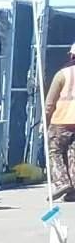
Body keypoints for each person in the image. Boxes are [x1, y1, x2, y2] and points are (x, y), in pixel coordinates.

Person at [49, 52, 75, 194]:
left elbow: (50, 102)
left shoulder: (62, 74)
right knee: (73, 155)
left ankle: (61, 182)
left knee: (55, 151)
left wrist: (46, 120)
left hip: (61, 121)